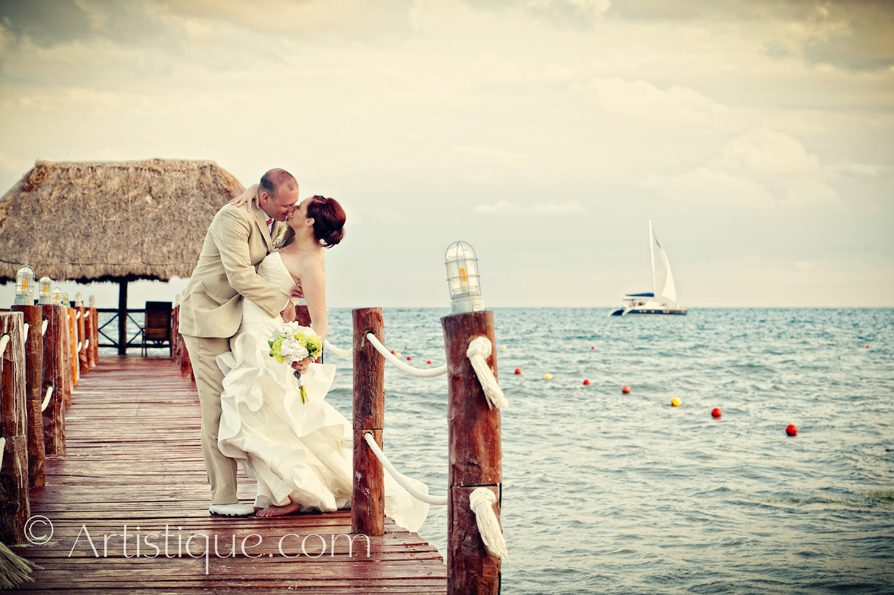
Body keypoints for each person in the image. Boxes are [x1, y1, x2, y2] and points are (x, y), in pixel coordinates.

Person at [216, 194, 429, 530]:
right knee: (266, 417)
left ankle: (292, 495)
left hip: (263, 337)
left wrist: (306, 354)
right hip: (254, 328)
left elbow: (320, 323)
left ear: (310, 221)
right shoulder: (286, 240)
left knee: (256, 416)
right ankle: (282, 491)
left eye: (299, 207)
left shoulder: (312, 263)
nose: (293, 208)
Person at [179, 169, 301, 518]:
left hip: (241, 321)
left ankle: (272, 489)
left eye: (293, 204)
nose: (291, 211)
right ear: (264, 198)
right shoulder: (232, 218)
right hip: (208, 319)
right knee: (216, 407)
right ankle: (222, 496)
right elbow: (239, 275)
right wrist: (281, 302)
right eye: (285, 205)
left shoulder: (273, 217)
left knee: (245, 403)